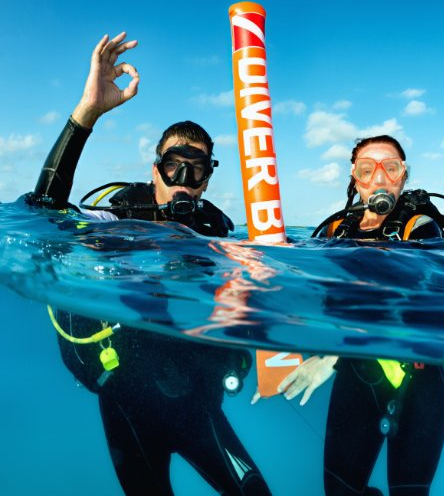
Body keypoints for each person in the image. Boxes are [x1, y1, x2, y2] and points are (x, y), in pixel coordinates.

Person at [26, 32, 271, 495]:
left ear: (206, 181)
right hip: (126, 400)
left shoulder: (216, 231)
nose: (183, 180)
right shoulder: (119, 216)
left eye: (196, 171)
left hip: (199, 403)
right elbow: (44, 212)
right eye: (174, 166)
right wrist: (87, 115)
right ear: (154, 170)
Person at [277, 135, 444, 496]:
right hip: (355, 382)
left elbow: (413, 301)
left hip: (418, 385)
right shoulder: (333, 232)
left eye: (391, 168)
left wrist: (332, 354)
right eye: (366, 169)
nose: (379, 178)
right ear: (354, 179)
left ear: (404, 176)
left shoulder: (419, 229)